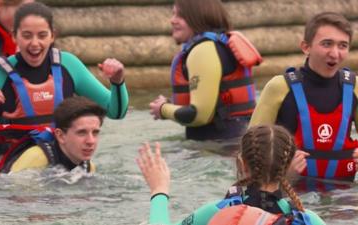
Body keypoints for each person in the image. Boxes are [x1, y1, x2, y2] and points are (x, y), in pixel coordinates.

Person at [0, 2, 128, 156]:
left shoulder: (69, 65)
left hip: (65, 171)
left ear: (52, 36)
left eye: (42, 35)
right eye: (27, 35)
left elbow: (116, 112)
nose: (35, 43)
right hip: (11, 174)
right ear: (14, 36)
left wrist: (118, 82)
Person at [136, 125, 325, 225]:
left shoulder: (216, 212)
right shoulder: (307, 219)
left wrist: (159, 189)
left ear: (242, 164)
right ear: (287, 168)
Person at [249, 12, 358, 180]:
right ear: (306, 47)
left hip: (344, 197)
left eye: (342, 46)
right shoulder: (279, 87)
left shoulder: (354, 87)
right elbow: (249, 154)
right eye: (327, 44)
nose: (335, 53)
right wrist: (282, 171)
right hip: (291, 195)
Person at [149, 0, 262, 141]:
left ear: (198, 17)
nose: (172, 20)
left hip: (219, 148)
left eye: (180, 15)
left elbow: (199, 115)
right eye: (173, 14)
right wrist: (171, 104)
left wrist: (163, 109)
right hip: (235, 141)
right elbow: (215, 102)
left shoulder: (203, 50)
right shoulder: (219, 44)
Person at [0, 96, 105, 173]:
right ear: (60, 136)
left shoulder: (89, 167)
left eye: (95, 133)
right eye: (81, 133)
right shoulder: (36, 159)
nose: (91, 141)